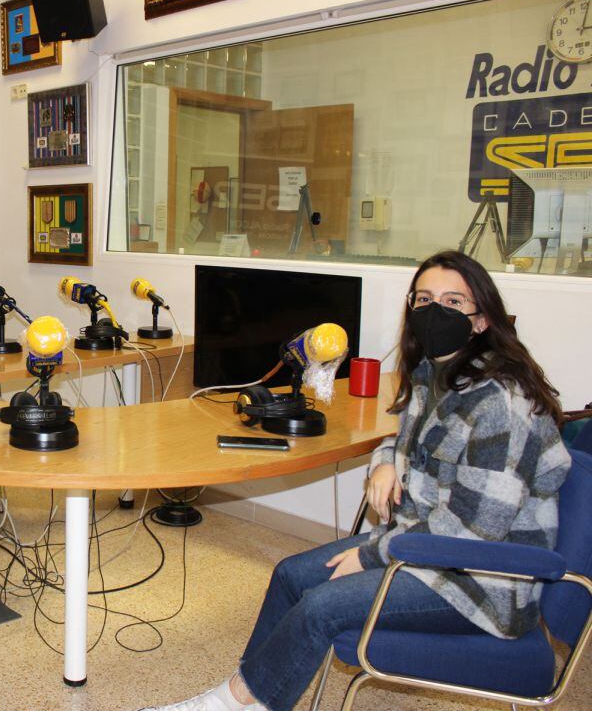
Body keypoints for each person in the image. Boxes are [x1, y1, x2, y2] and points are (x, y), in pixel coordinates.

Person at [144, 250, 571, 711]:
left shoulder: (499, 403)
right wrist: (385, 461)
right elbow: (402, 437)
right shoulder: (436, 371)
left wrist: (371, 555)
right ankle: (250, 696)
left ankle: (231, 703)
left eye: (453, 301)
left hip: (479, 582)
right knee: (290, 576)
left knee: (320, 606)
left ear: (482, 319)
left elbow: (474, 530)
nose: (434, 312)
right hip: (421, 548)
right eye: (424, 299)